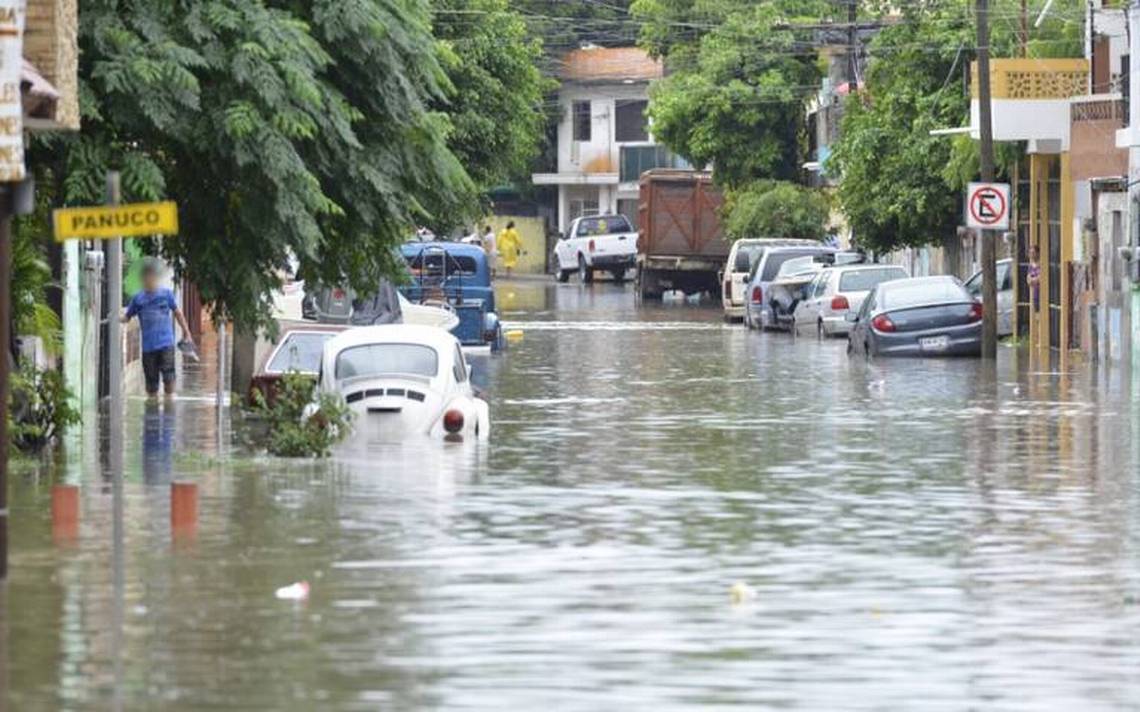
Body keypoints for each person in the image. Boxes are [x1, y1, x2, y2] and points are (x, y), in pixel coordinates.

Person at [122, 258, 193, 399]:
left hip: (166, 344)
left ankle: (169, 405)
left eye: (151, 276)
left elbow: (178, 313)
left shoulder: (166, 295)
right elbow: (127, 317)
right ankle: (153, 411)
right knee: (151, 385)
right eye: (146, 276)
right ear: (143, 279)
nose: (149, 279)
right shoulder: (138, 299)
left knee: (169, 378)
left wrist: (187, 332)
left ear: (155, 277)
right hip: (148, 348)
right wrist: (116, 318)